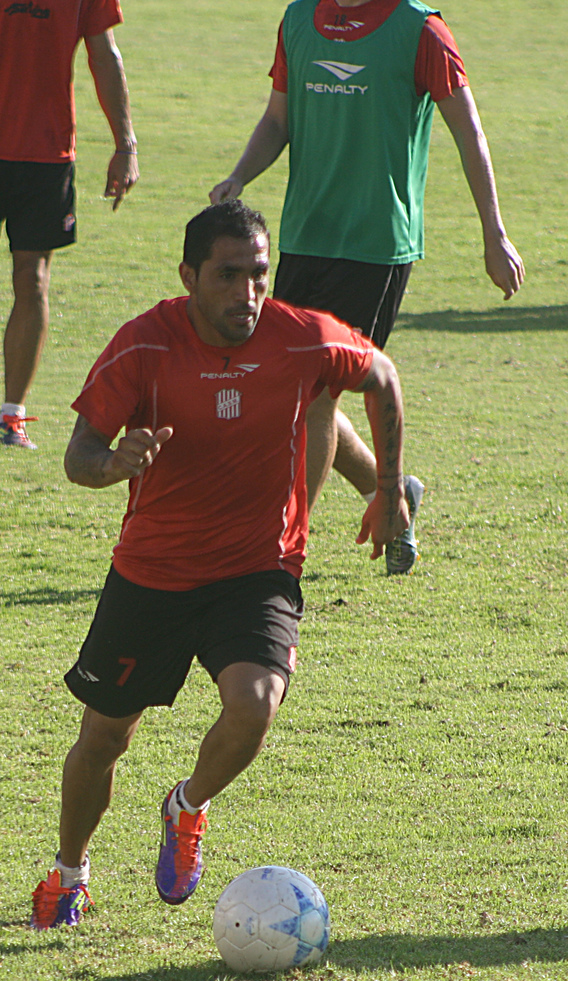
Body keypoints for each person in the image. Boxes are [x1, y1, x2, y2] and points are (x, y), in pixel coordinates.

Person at [31, 200, 410, 929]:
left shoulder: (300, 338)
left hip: (258, 567)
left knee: (256, 702)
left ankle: (186, 806)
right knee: (104, 738)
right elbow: (79, 454)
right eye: (228, 275)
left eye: (259, 274)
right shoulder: (145, 345)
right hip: (154, 573)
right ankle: (69, 873)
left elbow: (382, 375)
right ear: (189, 277)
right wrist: (113, 464)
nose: (248, 293)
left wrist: (388, 487)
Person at [210, 0, 525, 572]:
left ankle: (278, 548)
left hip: (374, 247)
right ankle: (395, 493)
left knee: (314, 394)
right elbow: (278, 120)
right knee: (292, 390)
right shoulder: (299, 20)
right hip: (305, 236)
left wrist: (494, 234)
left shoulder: (422, 31)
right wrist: (239, 174)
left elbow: (469, 131)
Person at [0, 0, 138, 449]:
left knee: (33, 280)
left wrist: (125, 144)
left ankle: (11, 416)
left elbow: (105, 54)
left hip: (47, 154)